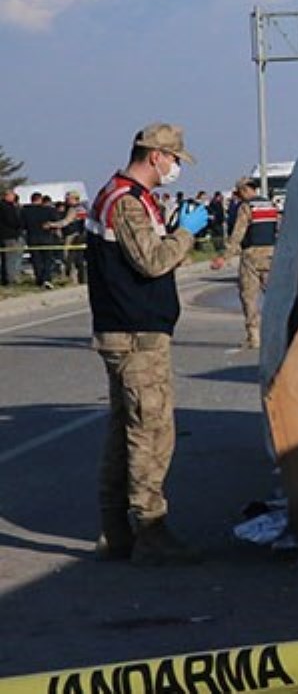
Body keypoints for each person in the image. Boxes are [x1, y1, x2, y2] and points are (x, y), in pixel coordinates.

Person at [86, 122, 211, 565]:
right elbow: (153, 262)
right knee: (150, 434)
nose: (177, 167)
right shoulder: (128, 203)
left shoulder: (121, 197)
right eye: (175, 159)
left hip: (128, 331)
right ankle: (150, 530)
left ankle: (116, 531)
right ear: (155, 155)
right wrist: (186, 233)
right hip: (136, 335)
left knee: (125, 433)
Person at [213, 177, 279, 349]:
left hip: (251, 255)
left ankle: (254, 336)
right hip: (271, 253)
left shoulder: (246, 207)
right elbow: (278, 229)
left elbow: (238, 234)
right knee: (273, 296)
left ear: (243, 190)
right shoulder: (271, 205)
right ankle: (279, 332)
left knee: (249, 296)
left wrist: (224, 257)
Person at [22, 193, 58, 287]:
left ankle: (39, 279)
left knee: (36, 260)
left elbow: (22, 225)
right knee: (47, 260)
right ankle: (46, 278)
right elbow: (55, 222)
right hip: (46, 238)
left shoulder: (25, 211)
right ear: (40, 199)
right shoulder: (49, 210)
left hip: (32, 238)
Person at [0, 188, 23, 286]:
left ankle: (6, 278)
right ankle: (11, 280)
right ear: (7, 196)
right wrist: (20, 224)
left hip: (4, 235)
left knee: (6, 259)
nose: (14, 197)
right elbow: (11, 220)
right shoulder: (7, 207)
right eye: (13, 195)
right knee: (11, 258)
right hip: (10, 235)